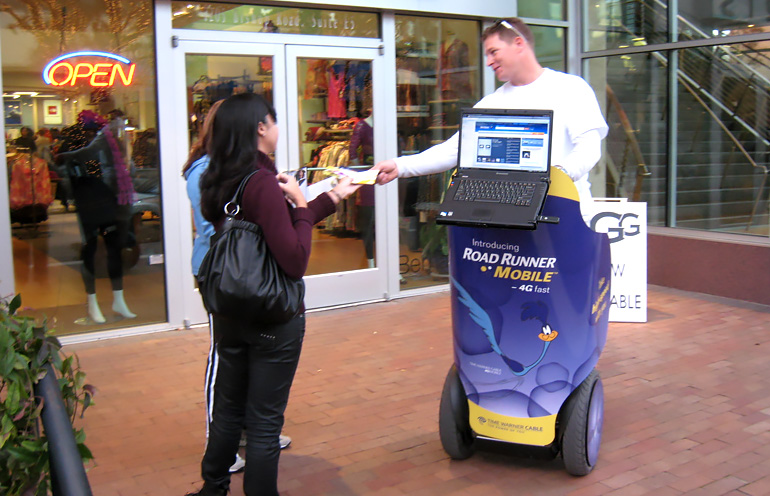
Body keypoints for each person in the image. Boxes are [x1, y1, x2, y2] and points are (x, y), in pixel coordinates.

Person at [185, 93, 359, 496]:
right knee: (264, 423)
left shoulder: (218, 178)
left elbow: (274, 225)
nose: (278, 129)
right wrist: (299, 201)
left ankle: (213, 488)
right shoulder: (261, 182)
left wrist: (330, 198)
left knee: (228, 411)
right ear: (260, 128)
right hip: (272, 315)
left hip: (231, 310)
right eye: (274, 121)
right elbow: (294, 258)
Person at [374, 18, 608, 214]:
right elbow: (452, 151)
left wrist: (554, 179)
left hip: (565, 214)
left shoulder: (570, 88)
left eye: (493, 52)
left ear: (518, 43)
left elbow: (589, 149)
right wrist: (399, 166)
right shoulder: (492, 102)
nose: (488, 62)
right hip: (509, 216)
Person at [182, 99, 291, 476]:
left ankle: (250, 432)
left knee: (246, 357)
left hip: (244, 271)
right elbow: (219, 225)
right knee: (224, 359)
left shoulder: (244, 170)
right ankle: (222, 443)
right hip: (223, 273)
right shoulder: (206, 171)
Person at [56, 110, 136, 324]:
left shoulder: (114, 139)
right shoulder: (98, 140)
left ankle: (117, 301)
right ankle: (93, 305)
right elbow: (74, 163)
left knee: (114, 249)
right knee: (91, 249)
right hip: (92, 200)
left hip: (108, 198)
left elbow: (127, 166)